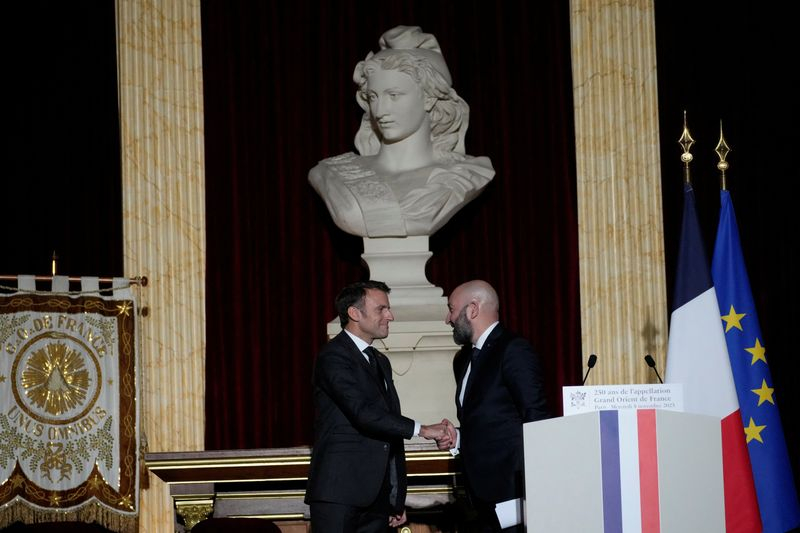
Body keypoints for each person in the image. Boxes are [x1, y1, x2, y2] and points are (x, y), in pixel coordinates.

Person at [309, 25, 494, 238]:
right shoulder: (331, 174)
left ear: (429, 98)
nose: (379, 111)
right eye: (373, 97)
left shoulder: (466, 175)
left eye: (394, 95)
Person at [304, 280, 449, 532]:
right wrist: (424, 430)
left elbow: (388, 434)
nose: (390, 316)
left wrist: (395, 497)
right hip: (339, 495)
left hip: (378, 500)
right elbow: (363, 413)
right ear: (354, 313)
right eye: (381, 309)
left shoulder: (379, 360)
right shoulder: (333, 356)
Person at [439, 280, 550, 532]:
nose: (448, 319)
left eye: (452, 309)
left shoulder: (513, 350)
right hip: (478, 496)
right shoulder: (463, 359)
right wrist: (459, 436)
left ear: (473, 309)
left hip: (514, 491)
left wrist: (538, 485)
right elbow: (489, 420)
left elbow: (536, 416)